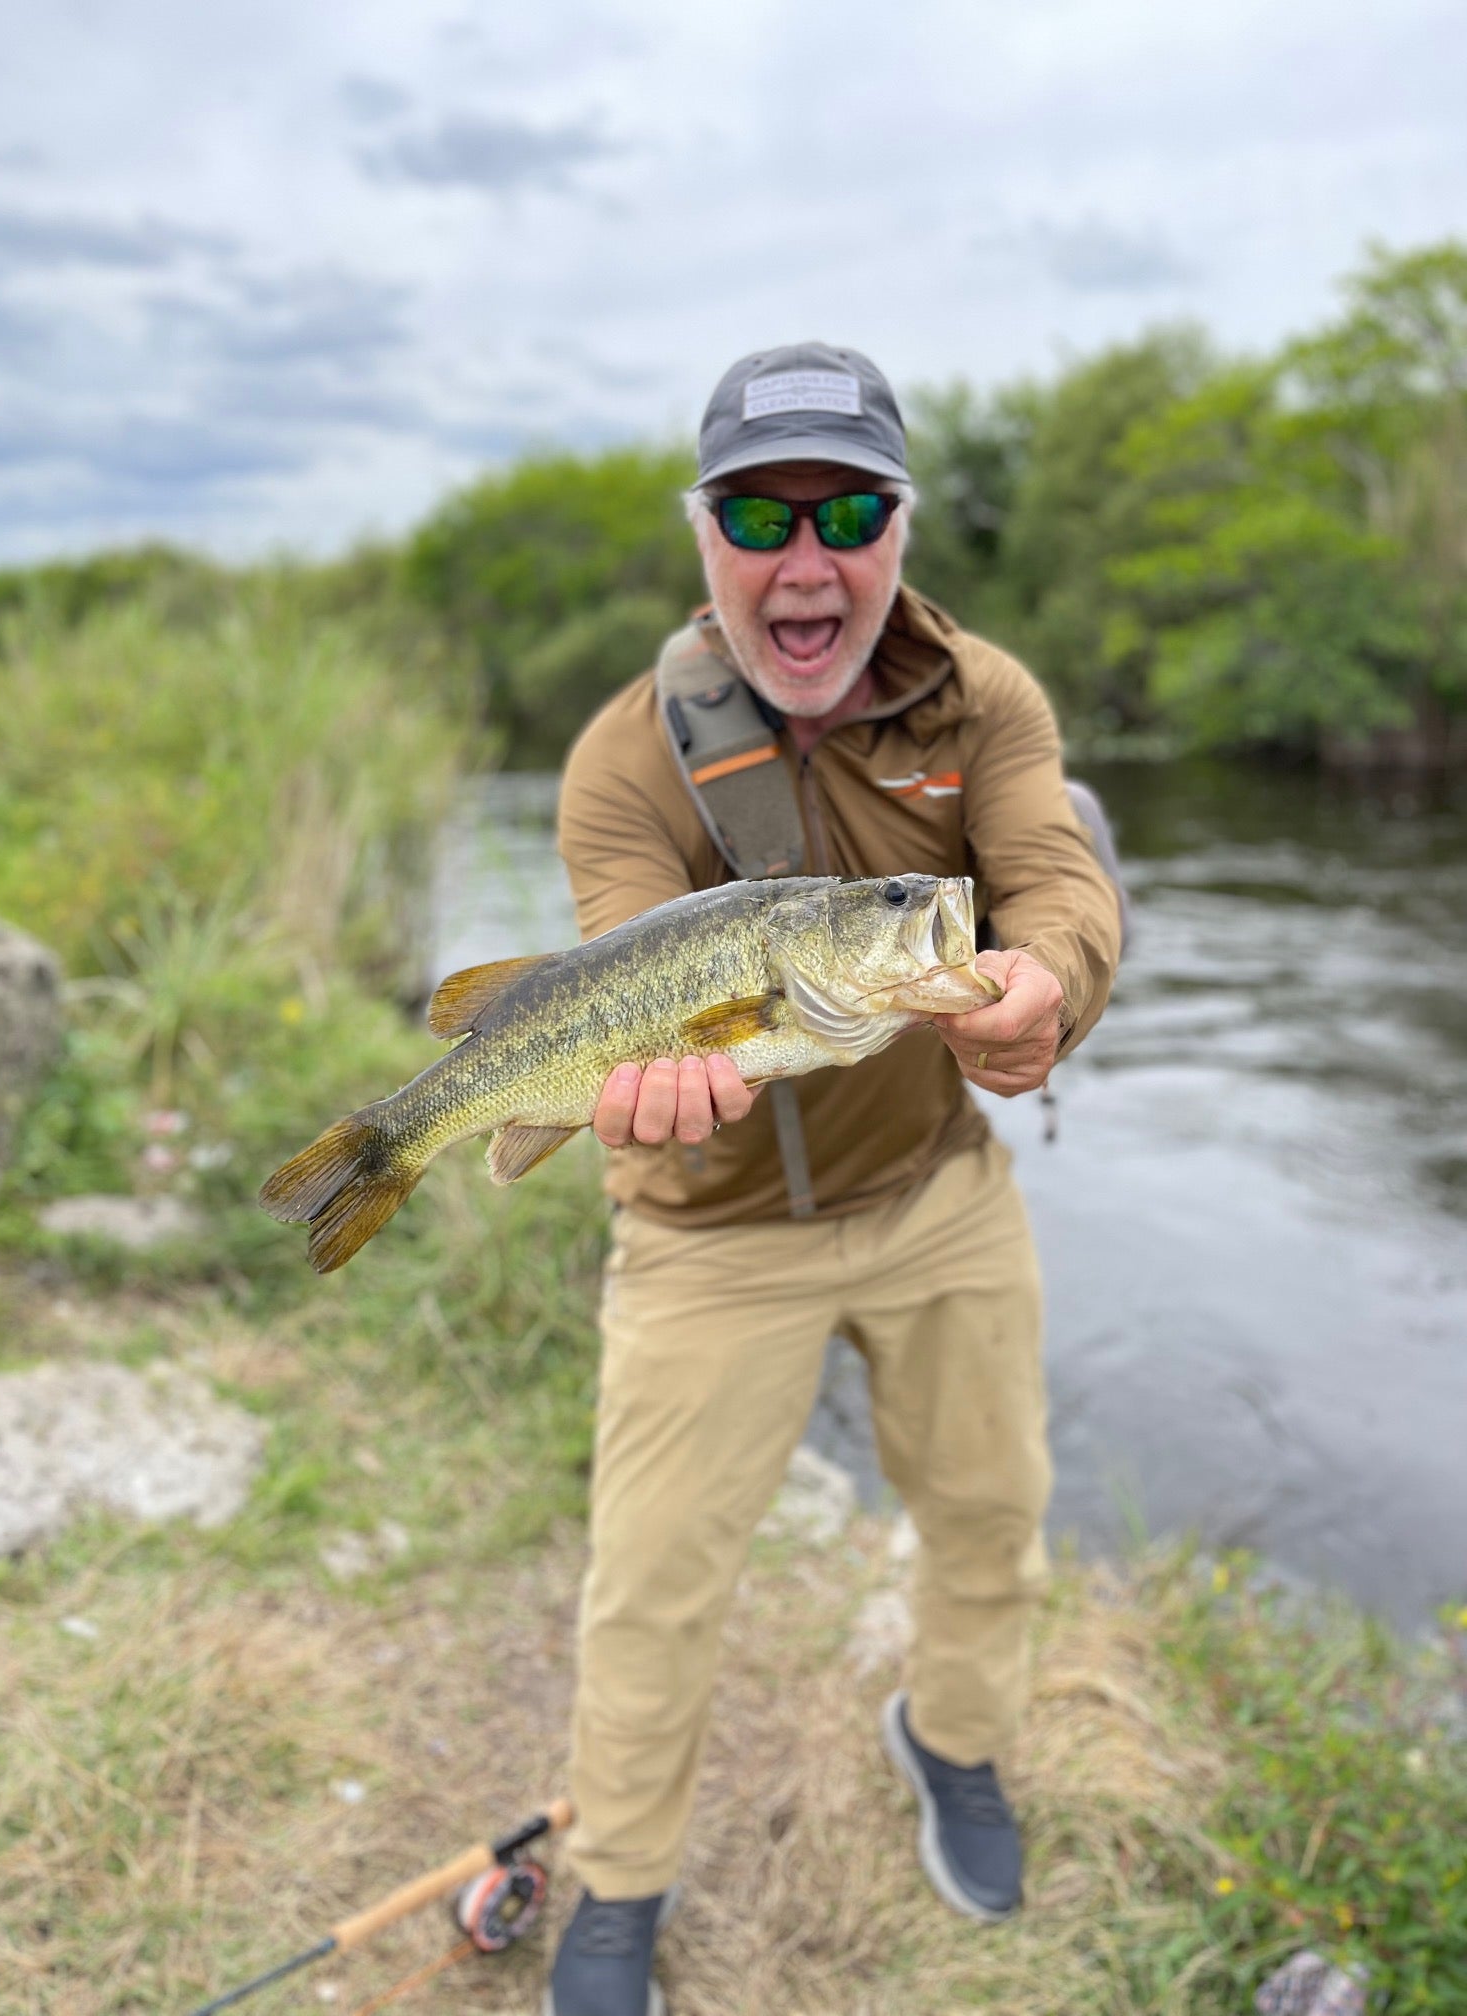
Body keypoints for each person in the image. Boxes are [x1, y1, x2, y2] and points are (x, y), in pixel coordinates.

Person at [544, 341, 1122, 2016]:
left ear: (901, 527)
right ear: (704, 532)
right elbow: (613, 977)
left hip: (940, 1195)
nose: (808, 559)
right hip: (706, 1242)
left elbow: (1052, 880)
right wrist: (636, 1091)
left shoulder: (987, 700)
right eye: (760, 512)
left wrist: (1048, 991)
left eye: (851, 508)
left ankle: (954, 1745)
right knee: (652, 1585)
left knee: (992, 1514)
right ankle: (618, 1887)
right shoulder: (621, 765)